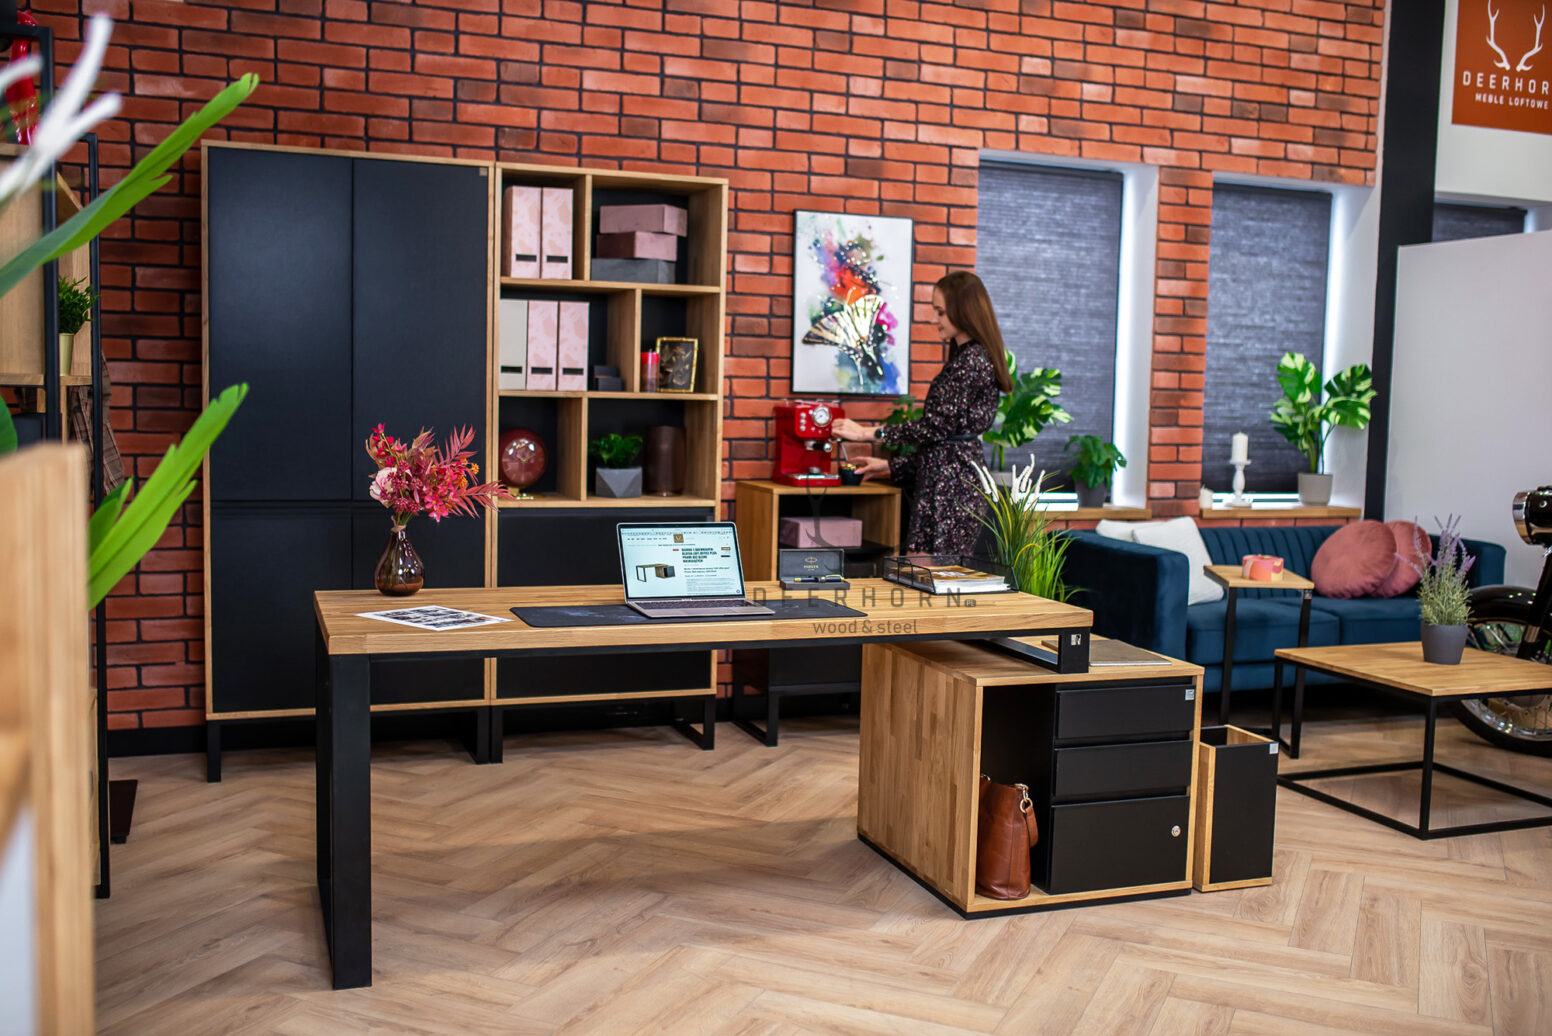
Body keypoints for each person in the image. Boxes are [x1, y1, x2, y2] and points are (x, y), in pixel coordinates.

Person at [832, 270, 1012, 554]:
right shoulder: (968, 359)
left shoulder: (972, 362)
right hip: (946, 487)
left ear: (962, 311)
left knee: (930, 582)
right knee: (923, 580)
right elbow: (943, 444)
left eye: (940, 312)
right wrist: (890, 467)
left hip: (951, 492)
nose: (934, 319)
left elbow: (935, 429)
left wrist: (867, 432)